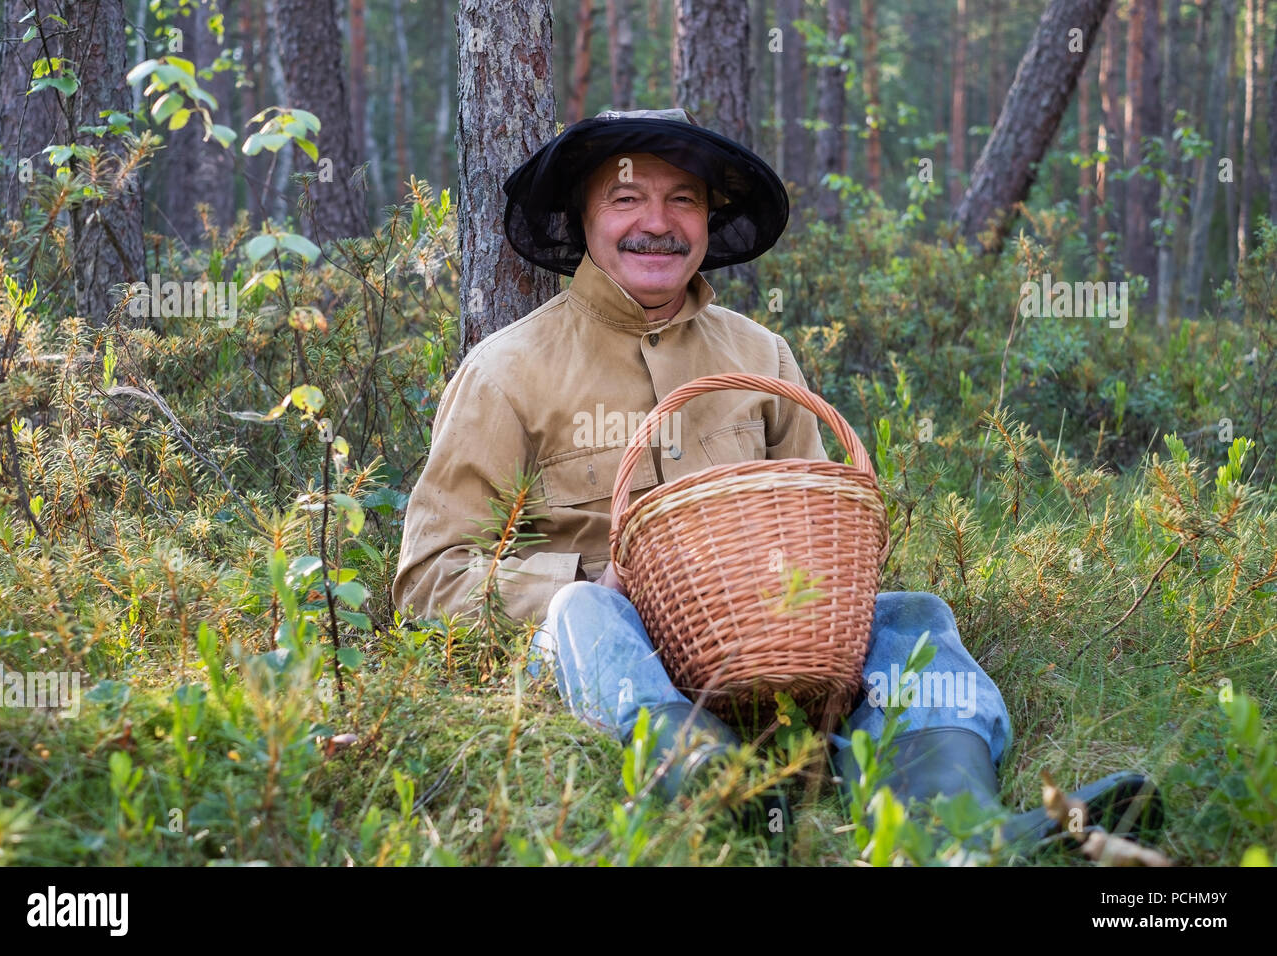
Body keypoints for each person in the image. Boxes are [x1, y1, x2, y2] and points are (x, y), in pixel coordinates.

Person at [393, 107, 1163, 855]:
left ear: (707, 219)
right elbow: (428, 579)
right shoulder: (507, 372)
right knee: (585, 610)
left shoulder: (762, 356)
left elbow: (819, 525)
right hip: (608, 659)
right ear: (583, 218)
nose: (655, 222)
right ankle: (711, 786)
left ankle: (954, 830)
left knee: (912, 618)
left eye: (682, 200)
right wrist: (590, 581)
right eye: (626, 198)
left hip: (759, 655)